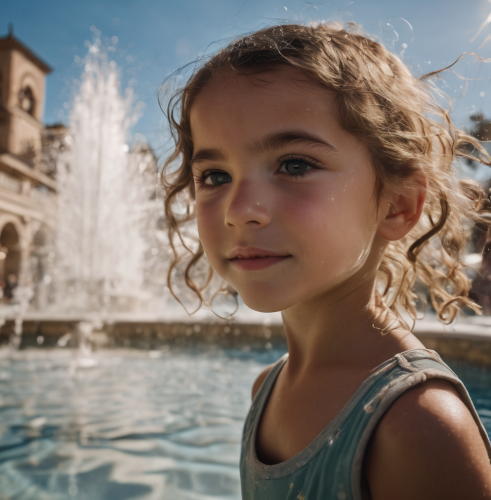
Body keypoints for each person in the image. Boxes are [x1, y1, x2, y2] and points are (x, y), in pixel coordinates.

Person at [159, 22, 491, 499]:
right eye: (214, 175)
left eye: (294, 165)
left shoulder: (419, 426)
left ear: (397, 204)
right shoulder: (266, 390)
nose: (238, 211)